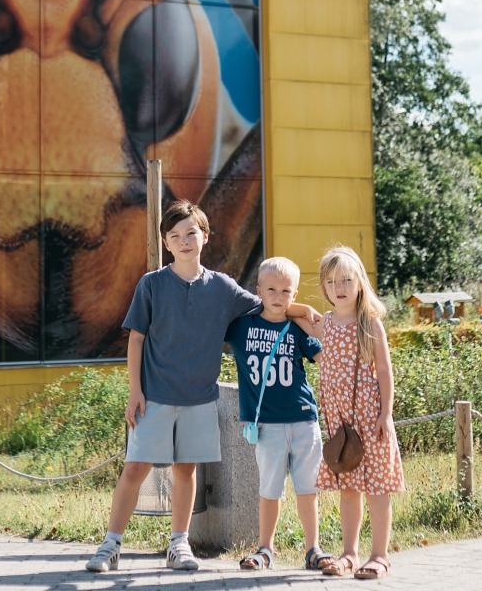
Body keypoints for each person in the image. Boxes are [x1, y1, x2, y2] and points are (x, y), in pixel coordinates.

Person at [84, 200, 317, 573]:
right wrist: (134, 390)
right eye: (175, 236)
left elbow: (270, 305)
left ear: (204, 236)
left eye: (191, 232)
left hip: (199, 399)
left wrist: (302, 311)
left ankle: (179, 544)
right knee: (135, 468)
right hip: (154, 396)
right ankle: (111, 545)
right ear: (166, 243)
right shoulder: (151, 285)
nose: (184, 240)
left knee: (185, 471)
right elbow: (136, 339)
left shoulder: (222, 288)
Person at [225, 256, 333, 572]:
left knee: (307, 487)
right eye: (271, 289)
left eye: (286, 291)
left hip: (303, 419)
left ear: (294, 295)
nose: (277, 296)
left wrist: (300, 313)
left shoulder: (295, 327)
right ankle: (265, 549)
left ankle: (313, 548)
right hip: (267, 424)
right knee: (269, 489)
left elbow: (324, 354)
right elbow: (211, 324)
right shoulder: (242, 326)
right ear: (258, 289)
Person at [313, 244, 404, 580]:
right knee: (348, 487)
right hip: (341, 422)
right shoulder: (325, 323)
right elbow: (297, 315)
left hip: (371, 418)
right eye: (333, 281)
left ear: (360, 283)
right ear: (324, 286)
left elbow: (384, 371)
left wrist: (387, 414)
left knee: (378, 488)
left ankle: (379, 555)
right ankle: (349, 553)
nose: (340, 288)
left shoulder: (370, 324)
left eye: (347, 280)